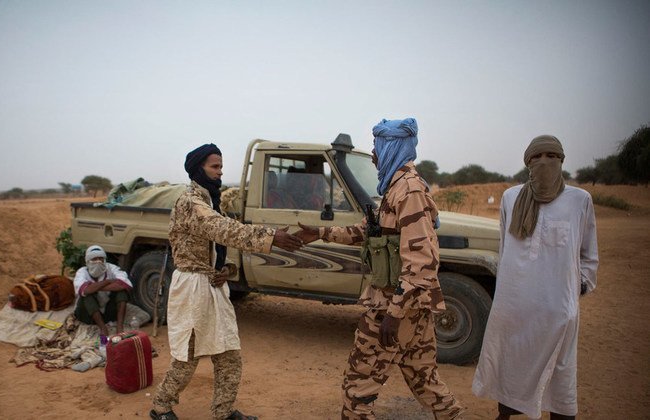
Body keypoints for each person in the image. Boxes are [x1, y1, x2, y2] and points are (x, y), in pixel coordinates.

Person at [295, 118, 465, 420]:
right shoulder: (397, 188)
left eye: (377, 146)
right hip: (412, 306)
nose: (373, 154)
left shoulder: (408, 191)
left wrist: (394, 315)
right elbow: (369, 232)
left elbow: (422, 262)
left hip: (393, 306)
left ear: (392, 147)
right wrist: (320, 233)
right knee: (425, 383)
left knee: (357, 389)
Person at [150, 143, 303, 420]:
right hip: (193, 287)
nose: (220, 173)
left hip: (213, 284)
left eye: (221, 167)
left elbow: (220, 245)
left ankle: (223, 411)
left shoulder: (211, 200)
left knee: (229, 354)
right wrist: (271, 237)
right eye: (215, 167)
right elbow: (222, 229)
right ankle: (161, 406)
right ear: (199, 169)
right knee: (189, 355)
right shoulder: (191, 203)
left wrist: (227, 268)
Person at [472, 135, 599, 420]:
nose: (544, 162)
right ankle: (504, 415)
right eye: (537, 157)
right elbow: (506, 248)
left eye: (551, 156)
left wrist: (580, 285)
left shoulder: (579, 200)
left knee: (560, 374)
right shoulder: (511, 197)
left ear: (561, 161)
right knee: (511, 365)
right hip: (516, 306)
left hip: (557, 310)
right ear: (528, 162)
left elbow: (588, 253)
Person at [72, 245, 132, 339]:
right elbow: (86, 290)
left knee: (122, 292)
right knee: (87, 295)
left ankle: (119, 327)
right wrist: (107, 282)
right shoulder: (82, 272)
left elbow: (123, 284)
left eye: (101, 259)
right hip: (87, 315)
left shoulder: (112, 268)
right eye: (94, 259)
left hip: (108, 313)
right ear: (87, 261)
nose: (98, 262)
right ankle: (103, 329)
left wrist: (95, 287)